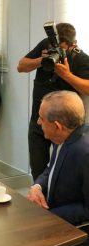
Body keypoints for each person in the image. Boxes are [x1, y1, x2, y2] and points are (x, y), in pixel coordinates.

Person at [17, 22, 89, 180]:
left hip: (65, 127)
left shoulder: (81, 59)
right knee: (37, 168)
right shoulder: (46, 46)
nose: (56, 52)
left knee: (62, 171)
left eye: (61, 49)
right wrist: (41, 60)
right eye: (54, 49)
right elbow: (21, 66)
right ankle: (38, 198)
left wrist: (67, 75)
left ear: (72, 45)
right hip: (39, 121)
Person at [27, 91, 89, 229]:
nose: (38, 122)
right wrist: (37, 187)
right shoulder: (63, 136)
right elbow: (51, 168)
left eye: (41, 118)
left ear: (57, 126)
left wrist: (49, 216)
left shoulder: (85, 154)